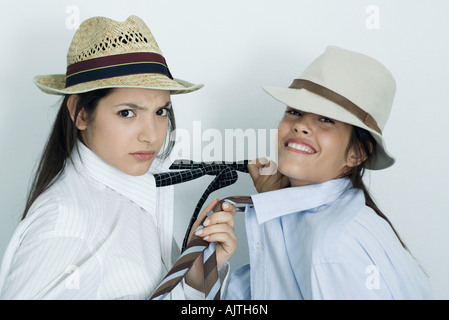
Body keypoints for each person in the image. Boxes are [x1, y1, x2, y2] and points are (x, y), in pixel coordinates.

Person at [0, 15, 237, 299]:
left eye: (161, 112)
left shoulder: (133, 195)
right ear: (81, 113)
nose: (151, 135)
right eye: (127, 112)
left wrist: (196, 275)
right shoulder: (65, 223)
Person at [225, 46, 433, 299]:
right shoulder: (318, 221)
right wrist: (277, 203)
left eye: (326, 119)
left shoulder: (334, 245)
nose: (301, 125)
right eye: (294, 112)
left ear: (357, 153)